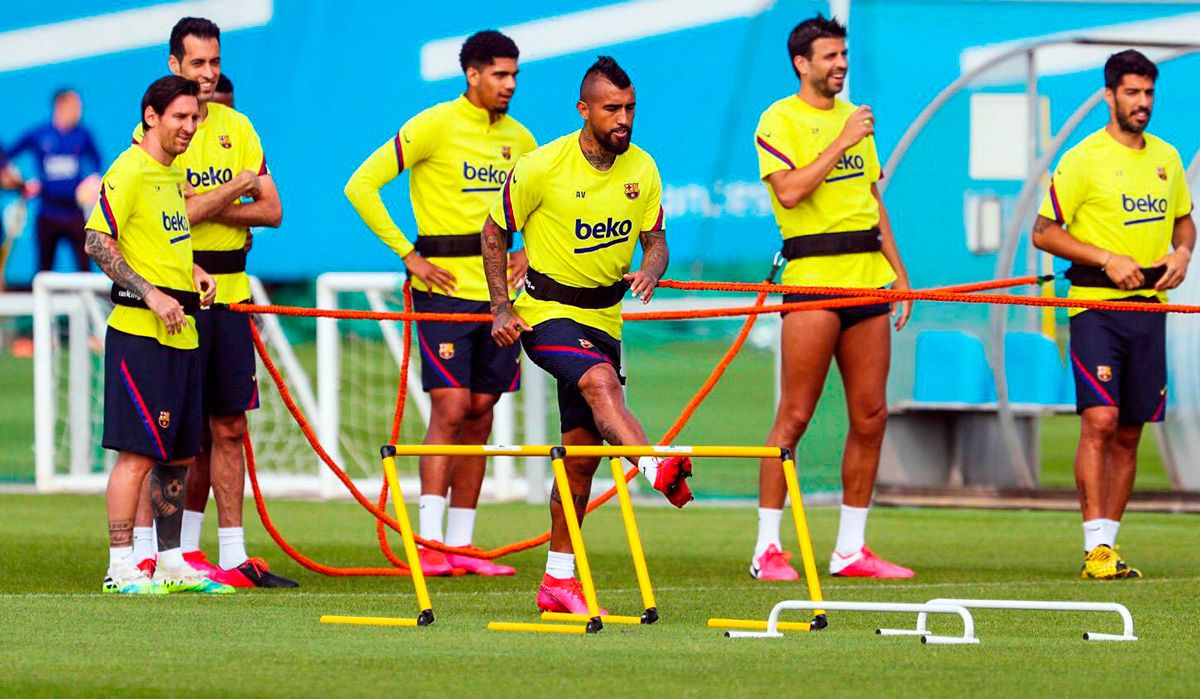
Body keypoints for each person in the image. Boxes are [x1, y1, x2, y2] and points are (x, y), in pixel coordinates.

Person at [481, 56, 693, 614]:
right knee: (601, 384)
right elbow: (494, 232)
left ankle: (557, 582)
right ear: (584, 110)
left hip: (606, 320)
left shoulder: (643, 168)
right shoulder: (541, 166)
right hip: (546, 313)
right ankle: (654, 466)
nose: (624, 119)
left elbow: (657, 240)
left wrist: (653, 266)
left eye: (630, 109)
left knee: (580, 463)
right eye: (612, 109)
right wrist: (501, 306)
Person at [345, 30, 536, 576]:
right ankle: (428, 544)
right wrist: (409, 254)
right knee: (450, 409)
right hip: (442, 295)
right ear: (472, 75)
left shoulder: (522, 140)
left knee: (481, 413)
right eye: (500, 75)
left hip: (500, 299)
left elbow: (544, 206)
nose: (509, 85)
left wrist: (530, 253)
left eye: (515, 75)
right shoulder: (433, 124)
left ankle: (463, 546)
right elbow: (361, 185)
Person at [750, 14, 913, 581]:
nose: (841, 65)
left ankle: (851, 549)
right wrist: (841, 141)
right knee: (793, 415)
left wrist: (899, 272)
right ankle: (766, 548)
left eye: (844, 56)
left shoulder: (856, 119)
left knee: (871, 415)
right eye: (830, 57)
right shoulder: (779, 119)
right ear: (802, 63)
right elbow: (791, 192)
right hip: (813, 281)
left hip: (868, 280)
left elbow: (871, 198)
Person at [130, 17, 292, 588]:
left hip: (234, 294)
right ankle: (149, 554)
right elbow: (178, 213)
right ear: (174, 65)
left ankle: (229, 555)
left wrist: (209, 201)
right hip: (176, 291)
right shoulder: (155, 132)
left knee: (229, 428)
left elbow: (272, 211)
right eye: (197, 63)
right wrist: (235, 188)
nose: (207, 74)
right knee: (167, 430)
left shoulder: (238, 126)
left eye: (214, 63)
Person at [1032, 50, 1193, 580]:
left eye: (1148, 93)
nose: (1141, 103)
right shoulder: (1082, 159)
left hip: (1151, 309)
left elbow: (1184, 224)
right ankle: (1093, 546)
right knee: (1099, 420)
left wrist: (1182, 253)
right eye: (1131, 92)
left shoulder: (1167, 157)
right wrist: (1106, 258)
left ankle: (1108, 549)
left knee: (1130, 431)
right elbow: (1043, 231)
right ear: (1109, 95)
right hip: (1095, 307)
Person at [85, 75, 229, 594]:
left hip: (182, 331)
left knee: (179, 455)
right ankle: (121, 566)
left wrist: (191, 274)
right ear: (151, 116)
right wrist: (150, 292)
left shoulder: (171, 176)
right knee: (138, 454)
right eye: (180, 118)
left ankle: (170, 563)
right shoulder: (129, 171)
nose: (190, 127)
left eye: (195, 118)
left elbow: (161, 242)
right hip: (139, 332)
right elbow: (97, 242)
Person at [9, 89, 102, 272]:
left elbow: (97, 162)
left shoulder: (83, 134)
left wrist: (91, 182)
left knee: (84, 266)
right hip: (47, 212)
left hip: (75, 212)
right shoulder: (39, 134)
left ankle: (88, 301)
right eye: (75, 106)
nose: (79, 111)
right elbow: (8, 156)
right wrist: (22, 182)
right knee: (44, 268)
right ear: (61, 106)